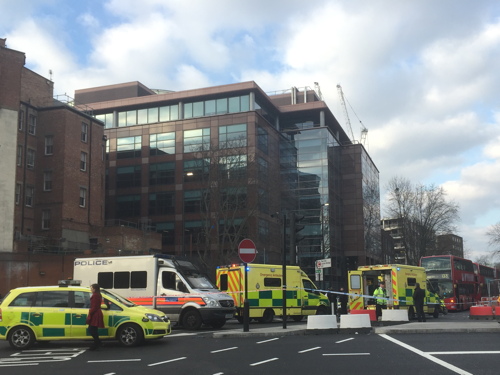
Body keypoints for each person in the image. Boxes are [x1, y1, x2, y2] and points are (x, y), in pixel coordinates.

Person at [86, 283, 105, 350]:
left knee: (91, 329)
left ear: (94, 289)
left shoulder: (95, 295)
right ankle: (98, 342)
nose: (91, 289)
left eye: (91, 288)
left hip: (95, 314)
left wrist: (90, 312)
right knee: (94, 329)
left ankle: (97, 343)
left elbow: (94, 306)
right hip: (97, 313)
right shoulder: (98, 295)